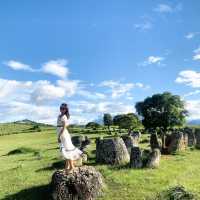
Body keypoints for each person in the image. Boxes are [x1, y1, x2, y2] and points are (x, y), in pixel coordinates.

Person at [56, 103, 82, 174]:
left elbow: (64, 127)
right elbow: (59, 126)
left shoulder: (64, 116)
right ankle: (67, 166)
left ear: (66, 110)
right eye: (61, 108)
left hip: (63, 134)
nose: (61, 109)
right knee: (65, 149)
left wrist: (59, 136)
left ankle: (71, 166)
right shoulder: (59, 116)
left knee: (67, 149)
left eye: (63, 108)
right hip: (61, 133)